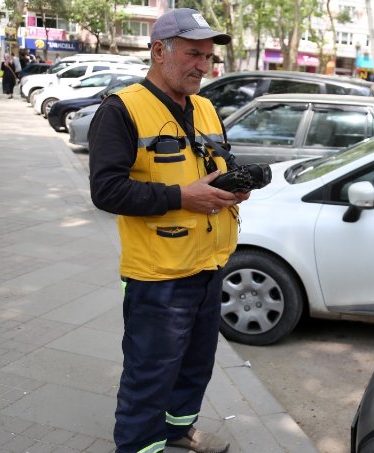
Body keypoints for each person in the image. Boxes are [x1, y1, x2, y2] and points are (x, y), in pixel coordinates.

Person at [88, 8, 245, 453]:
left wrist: (236, 184)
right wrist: (181, 198)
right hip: (158, 277)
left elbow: (220, 164)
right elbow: (106, 190)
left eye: (208, 57)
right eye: (194, 54)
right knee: (150, 372)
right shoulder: (121, 110)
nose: (203, 66)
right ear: (159, 51)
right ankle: (139, 445)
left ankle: (177, 430)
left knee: (196, 364)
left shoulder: (205, 107)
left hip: (209, 264)